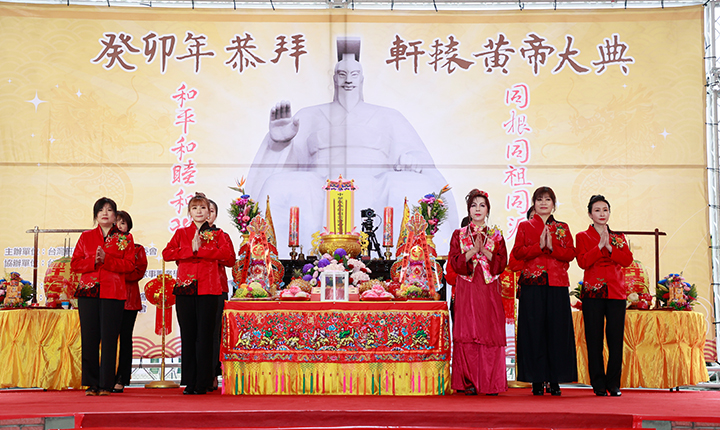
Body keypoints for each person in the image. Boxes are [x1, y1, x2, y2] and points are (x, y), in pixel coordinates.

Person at [246, 38, 457, 257]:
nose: (348, 81)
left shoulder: (389, 116)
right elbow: (292, 164)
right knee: (276, 184)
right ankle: (274, 263)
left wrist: (412, 158)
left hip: (377, 184)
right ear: (334, 79)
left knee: (416, 184)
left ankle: (408, 264)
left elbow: (415, 153)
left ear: (362, 79)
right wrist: (279, 144)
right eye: (342, 75)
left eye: (354, 75)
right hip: (319, 185)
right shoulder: (309, 115)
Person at [162, 192, 234, 395]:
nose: (199, 211)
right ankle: (190, 381)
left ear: (209, 212)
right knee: (188, 334)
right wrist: (189, 250)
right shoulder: (181, 233)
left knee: (205, 336)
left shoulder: (219, 234)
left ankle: (203, 381)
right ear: (189, 212)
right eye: (195, 208)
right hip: (185, 288)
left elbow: (229, 258)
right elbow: (167, 253)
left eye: (203, 208)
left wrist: (201, 250)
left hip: (209, 289)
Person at [512, 186, 577, 396]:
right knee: (534, 332)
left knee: (557, 332)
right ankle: (537, 380)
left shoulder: (562, 227)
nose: (543, 203)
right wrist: (539, 247)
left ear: (553, 204)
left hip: (557, 284)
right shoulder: (524, 226)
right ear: (533, 203)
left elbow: (570, 253)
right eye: (539, 199)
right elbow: (518, 252)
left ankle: (555, 379)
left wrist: (551, 247)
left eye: (547, 199)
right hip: (532, 284)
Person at [71, 197, 135, 396]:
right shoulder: (86, 237)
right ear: (96, 215)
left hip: (113, 293)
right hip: (88, 292)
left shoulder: (125, 239)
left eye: (109, 210)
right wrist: (94, 261)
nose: (105, 213)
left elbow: (129, 266)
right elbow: (75, 264)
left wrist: (107, 260)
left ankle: (106, 384)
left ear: (115, 215)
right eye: (101, 210)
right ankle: (91, 383)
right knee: (89, 338)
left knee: (109, 339)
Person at [448, 190, 508, 395]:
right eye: (474, 205)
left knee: (488, 331)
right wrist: (472, 251)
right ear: (469, 210)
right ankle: (468, 381)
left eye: (482, 205)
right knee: (467, 331)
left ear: (488, 210)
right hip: (467, 286)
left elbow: (501, 263)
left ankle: (490, 383)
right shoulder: (459, 234)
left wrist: (485, 251)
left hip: (489, 287)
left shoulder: (496, 235)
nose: (478, 209)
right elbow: (455, 262)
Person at [575, 195, 633, 397]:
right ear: (590, 214)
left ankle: (614, 383)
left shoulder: (619, 237)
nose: (602, 214)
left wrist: (610, 248)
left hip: (616, 292)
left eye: (605, 210)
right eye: (597, 210)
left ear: (609, 213)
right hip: (593, 291)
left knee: (616, 340)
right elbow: (582, 262)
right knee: (594, 339)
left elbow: (627, 260)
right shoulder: (582, 236)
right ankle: (598, 383)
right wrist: (599, 248)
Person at [112, 211, 148, 393]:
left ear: (129, 226)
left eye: (123, 223)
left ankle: (122, 377)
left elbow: (137, 272)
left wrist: (117, 271)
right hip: (108, 297)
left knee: (125, 339)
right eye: (116, 222)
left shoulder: (138, 249)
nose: (119, 225)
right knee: (108, 339)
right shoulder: (106, 246)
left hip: (128, 299)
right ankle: (106, 376)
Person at [207, 199, 235, 391]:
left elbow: (231, 259)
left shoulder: (222, 235)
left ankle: (213, 374)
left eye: (210, 210)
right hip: (194, 289)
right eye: (199, 209)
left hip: (217, 288)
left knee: (215, 334)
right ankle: (197, 375)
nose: (206, 214)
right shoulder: (187, 235)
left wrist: (210, 251)